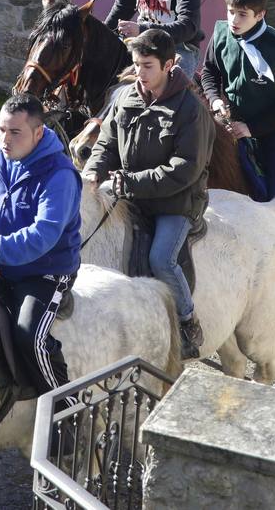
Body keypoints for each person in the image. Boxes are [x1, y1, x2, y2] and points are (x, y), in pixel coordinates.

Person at [83, 28, 215, 360]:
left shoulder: (191, 110)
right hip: (130, 194)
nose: (139, 74)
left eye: (148, 66)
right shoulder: (126, 97)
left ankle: (187, 322)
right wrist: (92, 173)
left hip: (177, 202)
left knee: (161, 259)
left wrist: (130, 183)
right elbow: (107, 143)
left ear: (170, 64)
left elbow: (185, 168)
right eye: (137, 65)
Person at [0, 92, 82, 399]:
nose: (5, 139)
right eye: (1, 129)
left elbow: (43, 235)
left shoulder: (60, 175)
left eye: (15, 132)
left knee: (29, 336)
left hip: (44, 272)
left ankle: (65, 410)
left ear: (38, 133)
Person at [200, 0, 275, 200]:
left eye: (243, 14)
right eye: (231, 12)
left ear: (260, 15)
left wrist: (252, 128)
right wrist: (214, 99)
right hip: (231, 122)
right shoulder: (220, 33)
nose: (234, 20)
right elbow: (209, 71)